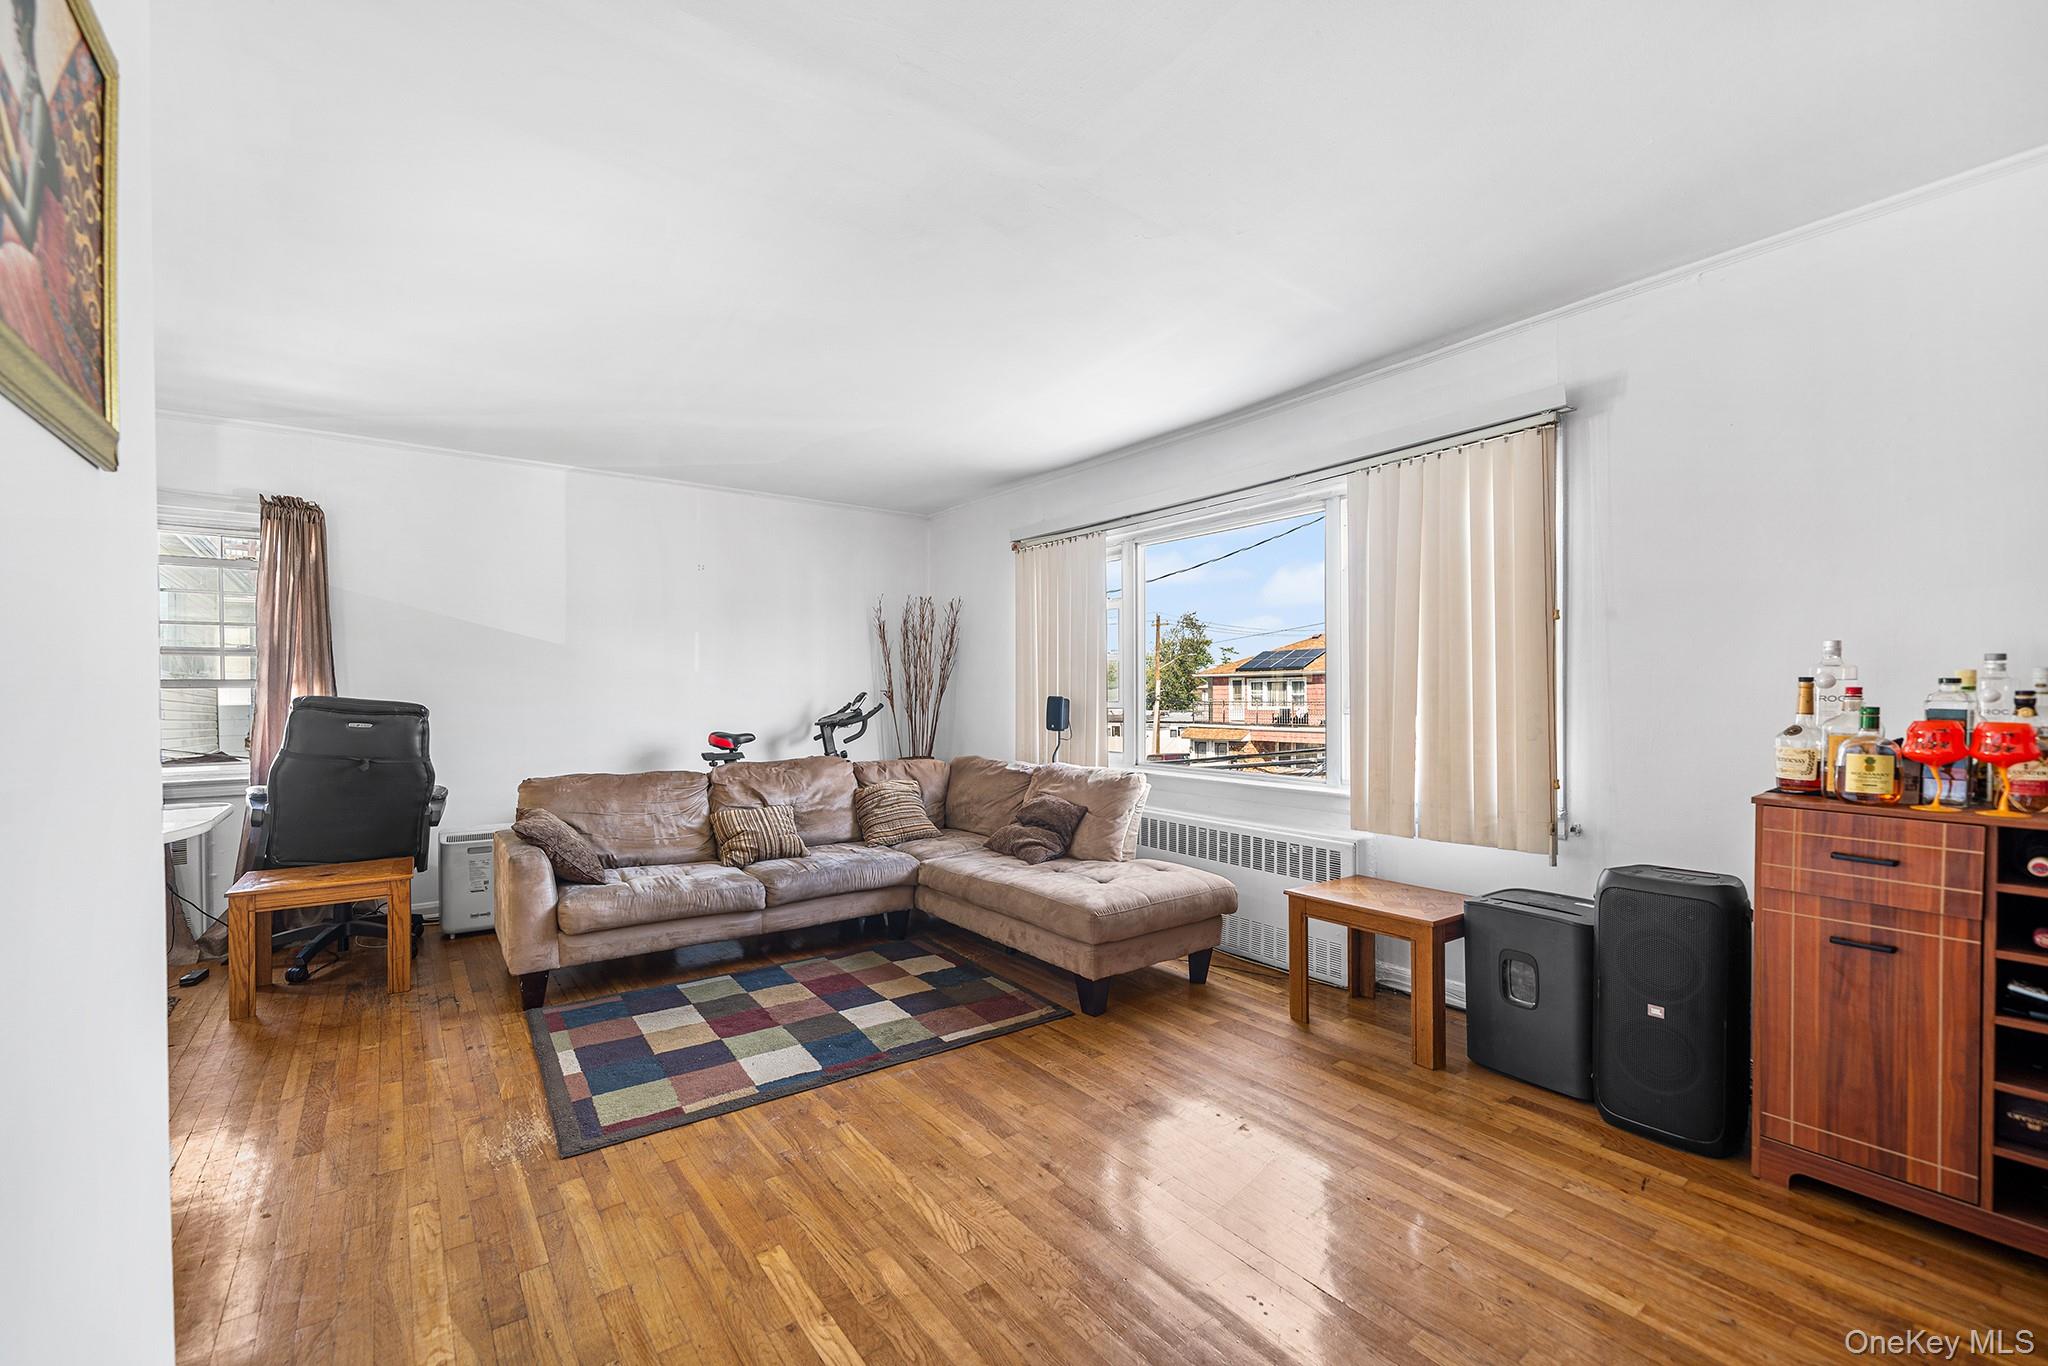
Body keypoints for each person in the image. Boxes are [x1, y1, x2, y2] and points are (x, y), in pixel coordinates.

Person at [0, 0, 103, 405]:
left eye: (15, 28)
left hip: (47, 248)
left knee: (12, 260)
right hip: (36, 244)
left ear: (24, 31)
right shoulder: (16, 101)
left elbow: (26, 224)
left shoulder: (36, 106)